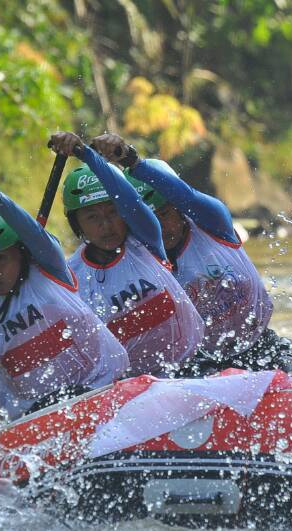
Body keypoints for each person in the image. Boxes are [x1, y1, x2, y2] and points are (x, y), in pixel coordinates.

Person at [86, 132, 292, 377]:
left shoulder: (213, 222)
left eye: (166, 213)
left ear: (180, 209)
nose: (161, 227)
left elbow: (186, 195)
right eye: (152, 217)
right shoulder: (142, 253)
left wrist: (131, 161)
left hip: (261, 347)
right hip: (199, 365)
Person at [0, 163, 129, 424]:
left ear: (20, 252)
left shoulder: (49, 265)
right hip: (36, 416)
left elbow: (31, 231)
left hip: (100, 388)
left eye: (0, 260)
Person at [49, 131, 205, 377]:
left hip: (191, 367)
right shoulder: (72, 276)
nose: (106, 225)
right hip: (126, 387)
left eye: (112, 213)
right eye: (92, 217)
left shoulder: (147, 238)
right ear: (76, 224)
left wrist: (86, 154)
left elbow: (129, 199)